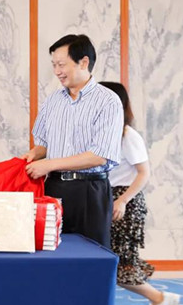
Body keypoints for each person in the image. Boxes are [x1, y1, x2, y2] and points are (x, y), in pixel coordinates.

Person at [22, 34, 123, 248]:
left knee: (91, 254)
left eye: (61, 64)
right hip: (54, 187)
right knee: (51, 251)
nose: (57, 71)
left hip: (90, 190)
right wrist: (33, 155)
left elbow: (99, 156)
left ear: (83, 62)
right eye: (54, 65)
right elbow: (43, 145)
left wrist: (49, 164)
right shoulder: (53, 100)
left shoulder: (108, 101)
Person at [100, 81, 180, 305]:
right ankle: (158, 300)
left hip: (124, 203)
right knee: (110, 264)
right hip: (107, 199)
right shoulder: (103, 133)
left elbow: (144, 173)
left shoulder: (127, 135)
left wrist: (123, 200)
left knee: (117, 266)